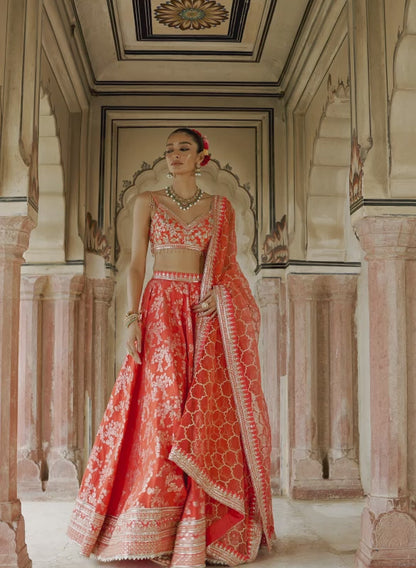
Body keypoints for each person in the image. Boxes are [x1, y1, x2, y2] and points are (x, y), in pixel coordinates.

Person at [67, 128, 276, 567]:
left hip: (202, 319)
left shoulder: (221, 209)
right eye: (168, 150)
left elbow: (227, 272)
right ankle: (149, 524)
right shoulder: (147, 201)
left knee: (195, 418)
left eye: (183, 149)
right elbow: (136, 263)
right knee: (160, 414)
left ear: (203, 157)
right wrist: (132, 317)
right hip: (160, 310)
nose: (173, 156)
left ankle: (193, 528)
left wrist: (218, 299)